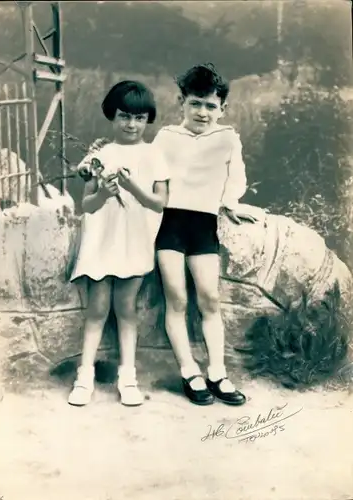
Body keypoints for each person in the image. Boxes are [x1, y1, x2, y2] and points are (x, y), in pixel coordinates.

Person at [152, 63, 257, 406]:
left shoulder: (227, 138)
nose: (202, 112)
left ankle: (217, 373)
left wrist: (230, 203)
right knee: (177, 298)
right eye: (195, 103)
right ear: (181, 102)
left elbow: (235, 178)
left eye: (211, 106)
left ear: (222, 109)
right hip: (169, 223)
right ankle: (189, 371)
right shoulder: (167, 136)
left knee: (209, 298)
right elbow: (153, 178)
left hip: (203, 225)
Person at [68, 80, 170, 407]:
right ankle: (84, 375)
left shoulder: (154, 154)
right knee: (97, 308)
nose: (131, 124)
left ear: (147, 120)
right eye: (125, 116)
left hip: (135, 239)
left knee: (126, 308)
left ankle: (128, 376)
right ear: (112, 116)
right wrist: (104, 192)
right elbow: (87, 206)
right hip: (103, 241)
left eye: (139, 118)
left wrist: (131, 187)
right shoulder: (101, 155)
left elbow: (158, 203)